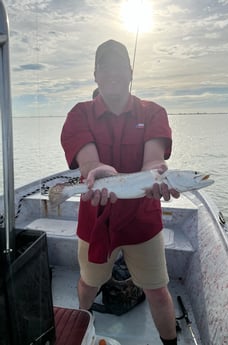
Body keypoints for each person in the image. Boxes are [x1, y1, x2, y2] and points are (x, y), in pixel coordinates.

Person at [61, 39, 180, 345]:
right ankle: (80, 326)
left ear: (130, 72)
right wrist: (96, 170)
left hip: (143, 221)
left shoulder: (153, 112)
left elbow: (154, 160)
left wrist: (156, 176)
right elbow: (89, 164)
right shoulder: (79, 114)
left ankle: (170, 342)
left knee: (158, 290)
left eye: (119, 67)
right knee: (89, 284)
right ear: (95, 75)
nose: (112, 73)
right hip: (96, 221)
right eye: (105, 67)